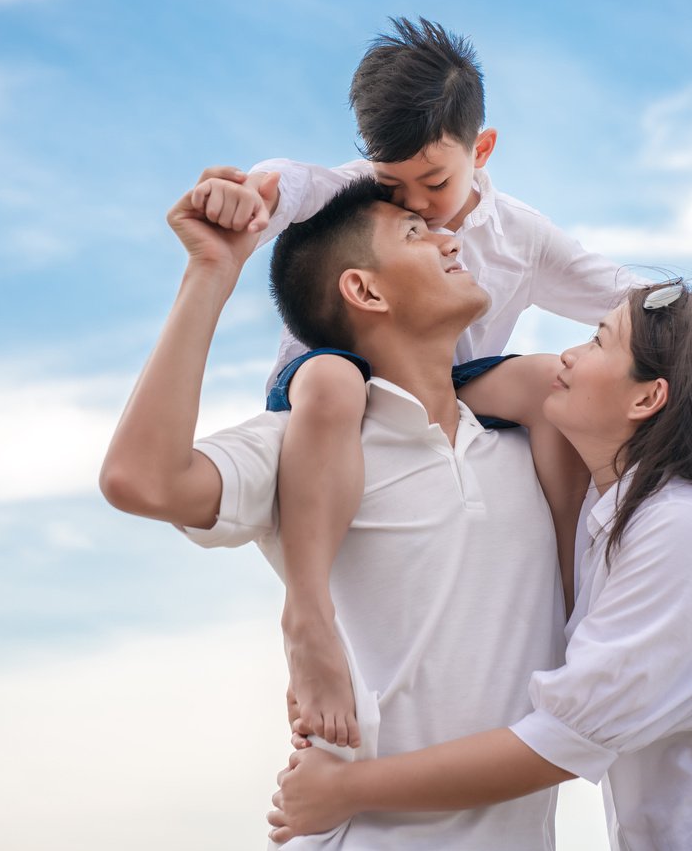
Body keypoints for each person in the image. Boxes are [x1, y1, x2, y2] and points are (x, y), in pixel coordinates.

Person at [267, 281, 692, 851]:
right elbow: (446, 385)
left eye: (600, 342)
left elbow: (558, 740)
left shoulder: (688, 526)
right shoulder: (617, 509)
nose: (570, 356)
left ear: (647, 397)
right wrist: (337, 380)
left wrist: (347, 788)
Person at [190, 17, 634, 747]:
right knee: (335, 381)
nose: (419, 206)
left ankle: (571, 596)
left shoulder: (521, 236)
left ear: (481, 149)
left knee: (546, 383)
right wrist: (247, 194)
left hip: (449, 388)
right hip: (333, 376)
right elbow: (292, 182)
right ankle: (306, 612)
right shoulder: (367, 195)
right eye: (395, 186)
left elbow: (611, 289)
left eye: (434, 182)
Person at [100, 176, 570, 850]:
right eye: (415, 233)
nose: (448, 238)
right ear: (366, 290)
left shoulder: (525, 440)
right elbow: (139, 478)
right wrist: (210, 271)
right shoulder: (312, 444)